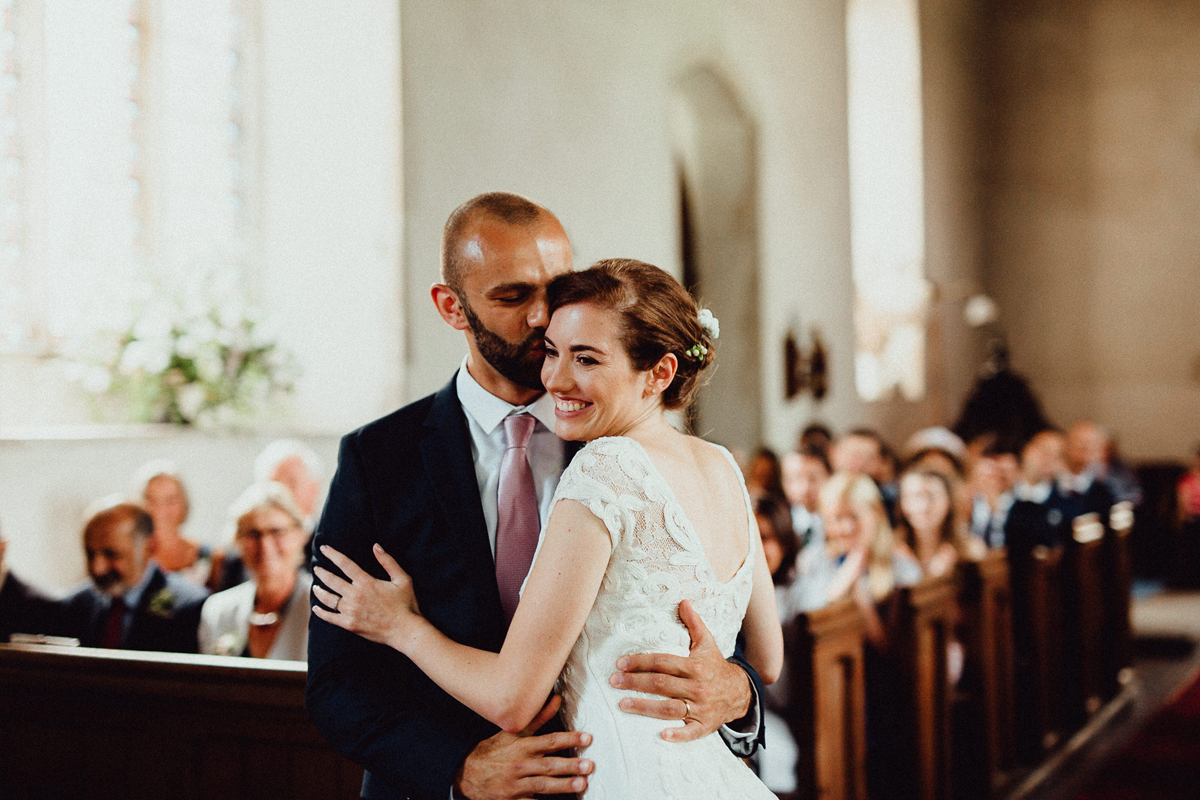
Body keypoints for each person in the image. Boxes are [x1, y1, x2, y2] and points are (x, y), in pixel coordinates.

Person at [306, 195, 767, 800]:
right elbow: (336, 684)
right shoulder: (378, 459)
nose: (542, 315)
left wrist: (738, 691)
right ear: (452, 307)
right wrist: (458, 767)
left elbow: (727, 638)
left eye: (555, 288)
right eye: (512, 296)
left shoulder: (621, 446)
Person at [0, 499, 208, 652]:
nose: (97, 568)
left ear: (149, 548)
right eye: (90, 554)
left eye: (111, 554)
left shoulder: (190, 608)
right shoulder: (76, 604)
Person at [199, 482, 312, 660]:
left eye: (277, 532)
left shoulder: (325, 611)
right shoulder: (218, 611)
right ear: (238, 541)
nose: (265, 546)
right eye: (253, 534)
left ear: (301, 535)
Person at [135, 460, 212, 586]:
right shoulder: (130, 559)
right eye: (151, 500)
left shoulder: (210, 557)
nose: (160, 510)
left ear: (184, 504)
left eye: (170, 501)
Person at [894, 469, 984, 578]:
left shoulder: (970, 549)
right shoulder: (892, 551)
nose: (924, 505)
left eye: (931, 495)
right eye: (913, 496)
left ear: (949, 501)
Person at [780, 445, 830, 549]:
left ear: (828, 477)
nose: (805, 488)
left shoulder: (840, 524)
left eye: (813, 479)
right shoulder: (779, 522)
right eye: (796, 478)